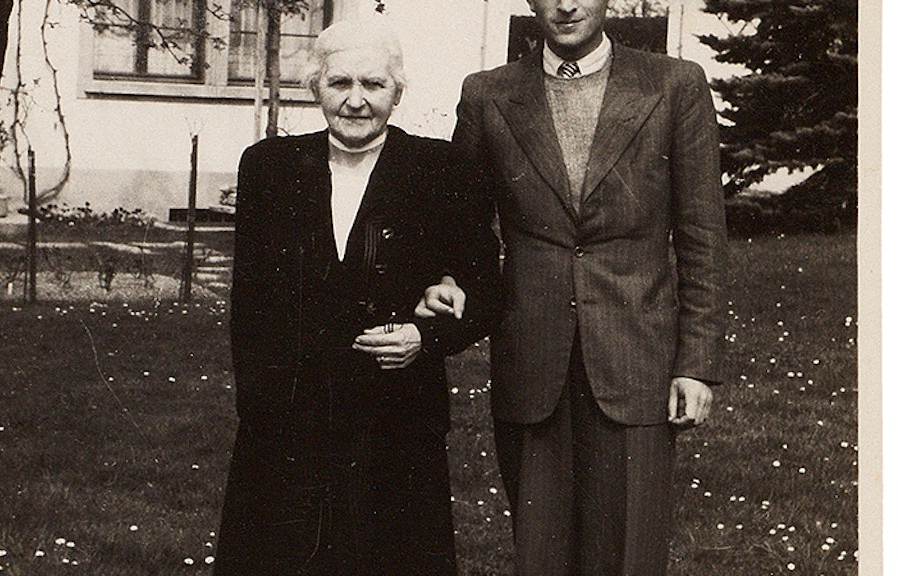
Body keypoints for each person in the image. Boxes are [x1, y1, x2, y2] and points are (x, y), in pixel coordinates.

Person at [419, 1, 728, 574]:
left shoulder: (674, 85)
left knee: (630, 554)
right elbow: (462, 226)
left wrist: (697, 363)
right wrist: (448, 278)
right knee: (541, 553)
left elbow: (702, 235)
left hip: (638, 359)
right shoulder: (488, 94)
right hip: (532, 360)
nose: (566, 5)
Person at [213, 19, 500, 576]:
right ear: (314, 88)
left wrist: (426, 335)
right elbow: (250, 302)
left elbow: (486, 288)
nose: (356, 101)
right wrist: (262, 409)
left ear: (398, 92)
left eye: (373, 84)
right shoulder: (270, 167)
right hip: (291, 420)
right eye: (339, 82)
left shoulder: (440, 169)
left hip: (396, 420)